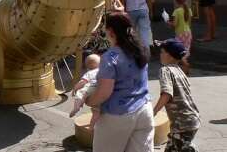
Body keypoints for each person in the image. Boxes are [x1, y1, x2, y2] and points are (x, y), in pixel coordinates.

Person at [86, 12, 153, 152]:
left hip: (117, 115)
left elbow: (104, 92)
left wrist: (89, 101)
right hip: (144, 110)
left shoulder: (110, 57)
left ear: (110, 31)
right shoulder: (141, 50)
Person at [153, 39, 200, 152]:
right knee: (172, 148)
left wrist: (153, 112)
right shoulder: (179, 71)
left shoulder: (165, 70)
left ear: (170, 56)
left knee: (183, 148)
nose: (160, 54)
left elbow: (167, 93)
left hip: (182, 123)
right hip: (190, 119)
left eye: (162, 52)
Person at [69, 54, 101, 128]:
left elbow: (82, 82)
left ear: (87, 67)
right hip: (101, 89)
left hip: (92, 87)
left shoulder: (90, 73)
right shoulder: (103, 71)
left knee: (80, 93)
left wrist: (75, 89)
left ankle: (76, 107)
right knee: (98, 111)